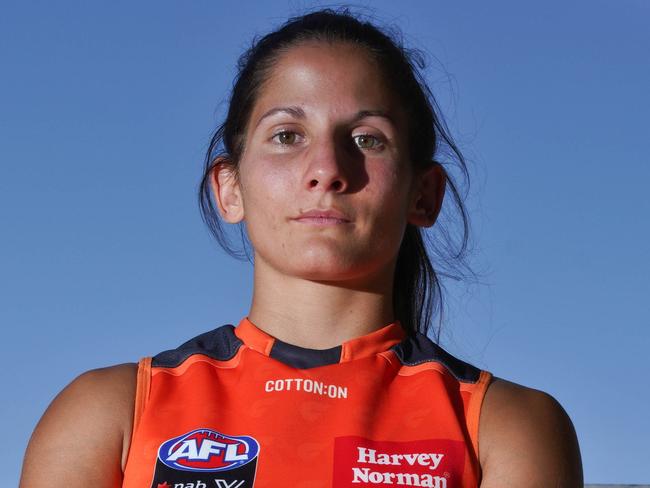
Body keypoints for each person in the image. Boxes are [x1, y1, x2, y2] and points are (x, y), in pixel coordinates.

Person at [19, 8, 583, 488]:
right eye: (288, 135)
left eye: (367, 140)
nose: (327, 170)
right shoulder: (110, 413)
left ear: (423, 194)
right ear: (229, 187)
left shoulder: (504, 426)